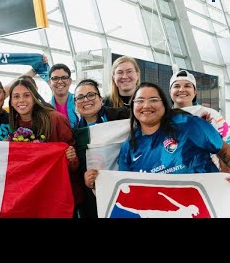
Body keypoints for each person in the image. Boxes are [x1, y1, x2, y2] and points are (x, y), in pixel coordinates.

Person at [84, 82, 230, 191]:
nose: (146, 105)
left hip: (203, 205)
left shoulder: (188, 124)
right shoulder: (130, 147)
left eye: (153, 100)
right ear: (133, 107)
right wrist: (97, 181)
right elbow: (125, 186)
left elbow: (224, 151)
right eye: (140, 101)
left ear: (164, 105)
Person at [8, 78, 82, 217]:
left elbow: (74, 160)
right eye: (16, 97)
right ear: (11, 102)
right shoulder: (13, 123)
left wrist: (71, 157)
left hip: (58, 194)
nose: (21, 100)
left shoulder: (55, 119)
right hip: (32, 193)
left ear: (35, 96)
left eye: (26, 95)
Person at [73, 78, 130, 218]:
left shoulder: (121, 117)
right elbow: (78, 168)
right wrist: (84, 177)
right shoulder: (76, 133)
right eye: (80, 97)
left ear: (101, 99)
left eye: (91, 95)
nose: (86, 100)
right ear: (75, 104)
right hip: (95, 195)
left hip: (125, 186)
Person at [169, 69, 230, 172]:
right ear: (170, 92)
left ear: (195, 92)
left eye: (187, 86)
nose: (182, 89)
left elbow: (226, 146)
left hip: (207, 177)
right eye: (176, 86)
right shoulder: (163, 119)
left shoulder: (212, 115)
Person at [47, 63, 78, 128]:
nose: (60, 82)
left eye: (64, 78)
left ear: (70, 81)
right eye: (55, 78)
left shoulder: (80, 103)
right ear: (49, 82)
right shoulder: (46, 109)